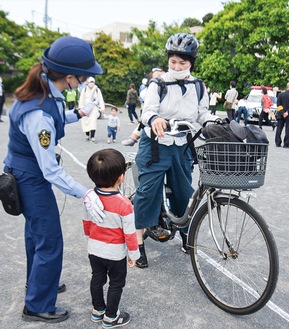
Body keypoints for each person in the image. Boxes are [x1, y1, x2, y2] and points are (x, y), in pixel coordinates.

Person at [3, 36, 106, 323]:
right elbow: (50, 170)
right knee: (49, 241)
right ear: (70, 77)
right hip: (31, 179)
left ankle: (38, 283)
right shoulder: (39, 115)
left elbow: (57, 115)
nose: (87, 81)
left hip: (24, 173)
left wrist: (79, 114)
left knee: (35, 236)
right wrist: (85, 193)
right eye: (84, 77)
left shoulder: (44, 93)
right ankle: (37, 305)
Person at [133, 33, 219, 268]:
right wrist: (155, 119)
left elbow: (202, 114)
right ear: (168, 60)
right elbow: (147, 111)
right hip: (156, 146)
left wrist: (212, 121)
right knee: (147, 193)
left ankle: (185, 236)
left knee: (184, 194)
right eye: (173, 62)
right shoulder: (158, 84)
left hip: (182, 146)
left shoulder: (198, 86)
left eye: (183, 63)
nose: (177, 67)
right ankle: (138, 243)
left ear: (192, 62)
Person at [84, 148, 140, 328]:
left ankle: (98, 310)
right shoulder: (124, 204)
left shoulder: (90, 199)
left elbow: (86, 223)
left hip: (94, 249)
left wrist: (92, 237)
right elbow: (130, 234)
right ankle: (110, 316)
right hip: (115, 254)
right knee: (116, 284)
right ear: (121, 177)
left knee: (97, 279)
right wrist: (134, 255)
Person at [122, 68, 165, 147]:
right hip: (153, 113)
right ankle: (133, 138)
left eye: (162, 74)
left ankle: (133, 138)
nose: (160, 77)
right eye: (157, 76)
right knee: (143, 123)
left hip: (166, 115)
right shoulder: (149, 90)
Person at [79, 76, 105, 143]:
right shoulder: (84, 90)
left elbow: (100, 99)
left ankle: (92, 136)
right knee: (85, 122)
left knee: (93, 122)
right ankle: (87, 134)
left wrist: (102, 108)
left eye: (93, 82)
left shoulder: (97, 90)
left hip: (94, 108)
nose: (91, 83)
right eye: (90, 82)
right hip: (85, 108)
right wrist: (80, 108)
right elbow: (81, 99)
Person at [275, 82, 289, 148]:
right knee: (288, 130)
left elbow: (278, 105)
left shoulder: (280, 94)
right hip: (288, 115)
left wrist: (282, 112)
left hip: (281, 115)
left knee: (279, 129)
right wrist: (287, 112)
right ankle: (286, 143)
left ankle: (278, 142)